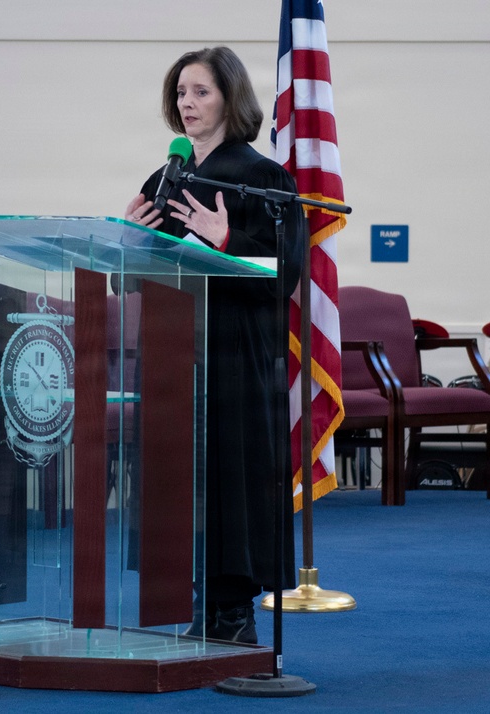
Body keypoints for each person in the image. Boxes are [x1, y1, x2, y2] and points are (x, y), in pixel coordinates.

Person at [125, 46, 305, 644]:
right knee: (179, 474)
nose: (187, 103)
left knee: (231, 476)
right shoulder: (164, 180)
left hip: (232, 354)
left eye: (200, 91)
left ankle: (232, 612)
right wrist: (127, 244)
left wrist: (228, 237)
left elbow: (288, 272)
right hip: (175, 356)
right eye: (180, 93)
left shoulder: (262, 177)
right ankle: (190, 598)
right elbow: (138, 275)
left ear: (230, 97)